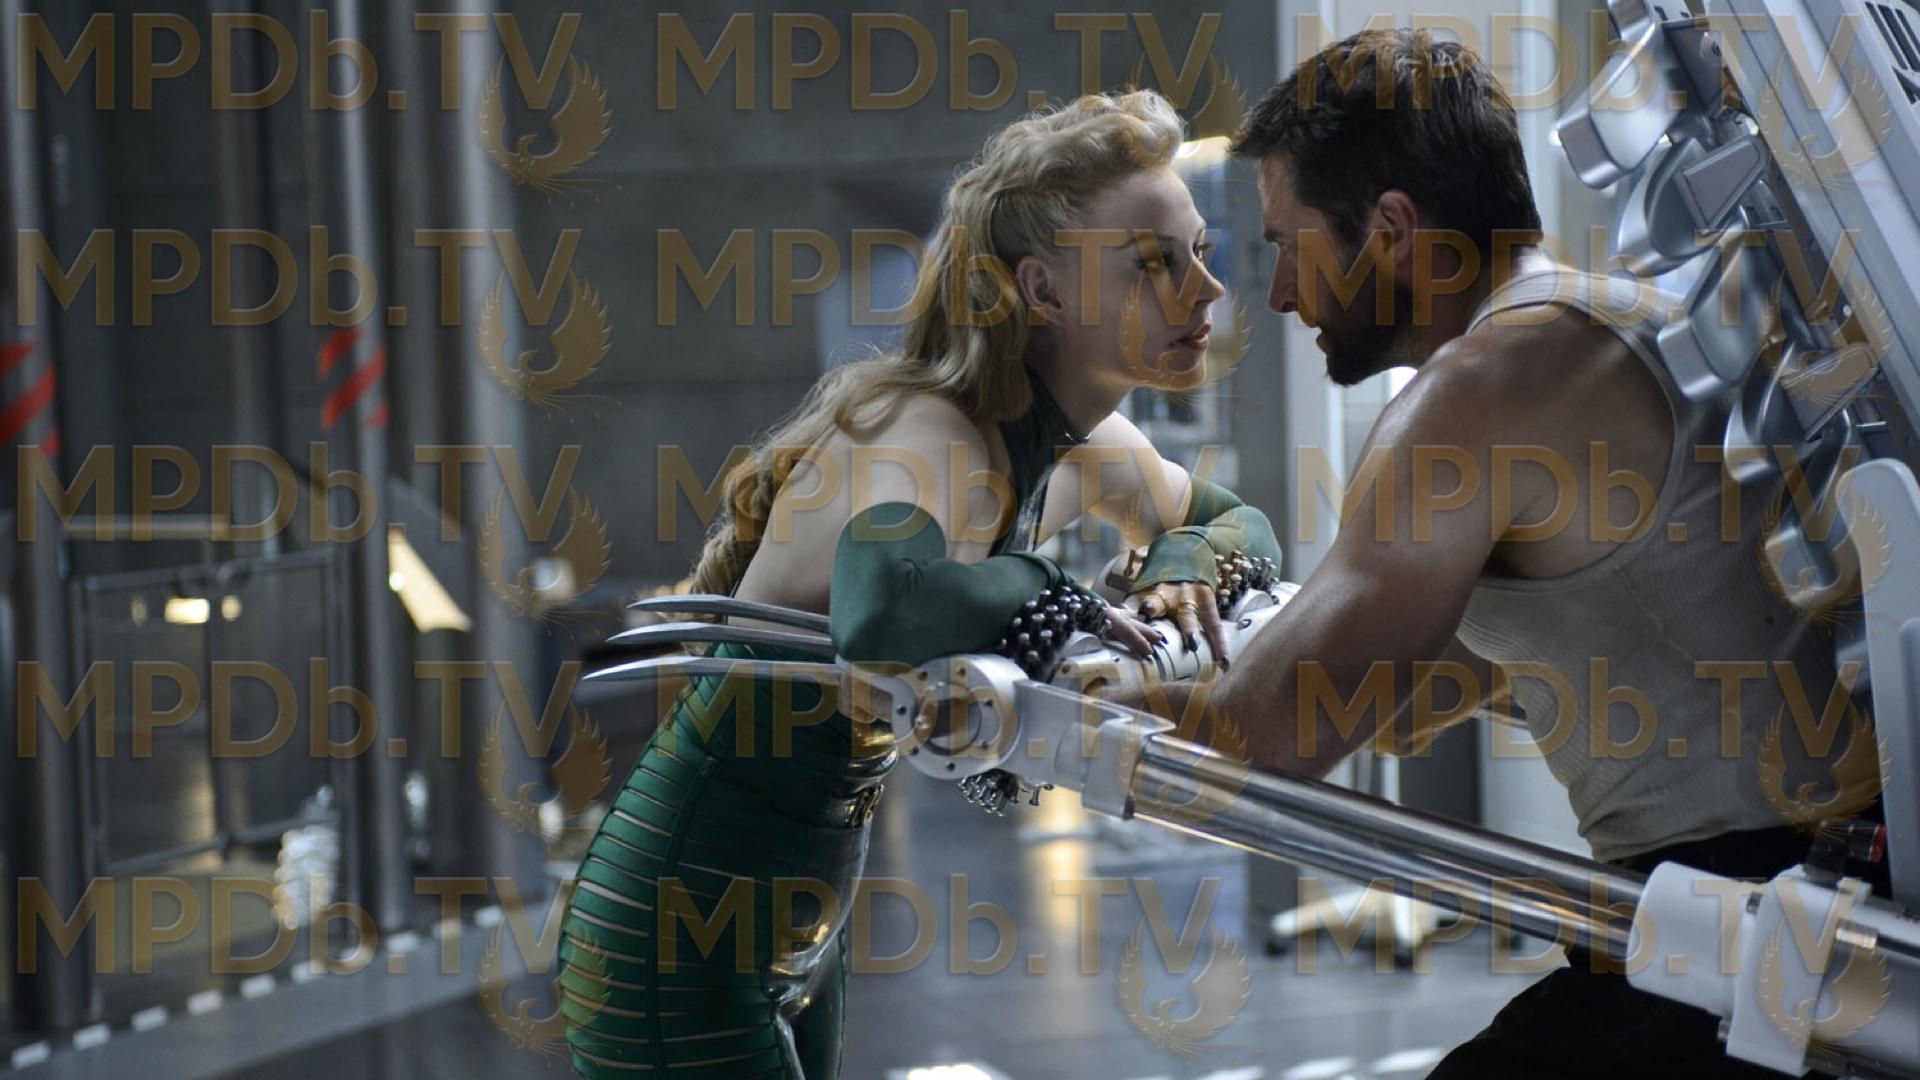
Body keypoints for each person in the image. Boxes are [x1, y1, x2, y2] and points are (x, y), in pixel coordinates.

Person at [1121, 27, 1881, 1077]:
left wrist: (1082, 684)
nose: (1284, 292)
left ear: (1391, 229)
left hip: (1746, 932)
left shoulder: (1478, 389)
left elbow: (1268, 737)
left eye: (1292, 245)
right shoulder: (1620, 318)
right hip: (1814, 892)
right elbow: (1424, 694)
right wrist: (1260, 634)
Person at [558, 89, 1283, 1079]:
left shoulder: (1088, 445)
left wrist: (1182, 564)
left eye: (1199, 252)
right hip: (673, 929)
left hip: (798, 919)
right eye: (1155, 263)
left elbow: (1241, 524)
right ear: (1044, 289)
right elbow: (883, 609)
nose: (1206, 290)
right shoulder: (929, 435)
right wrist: (1056, 588)